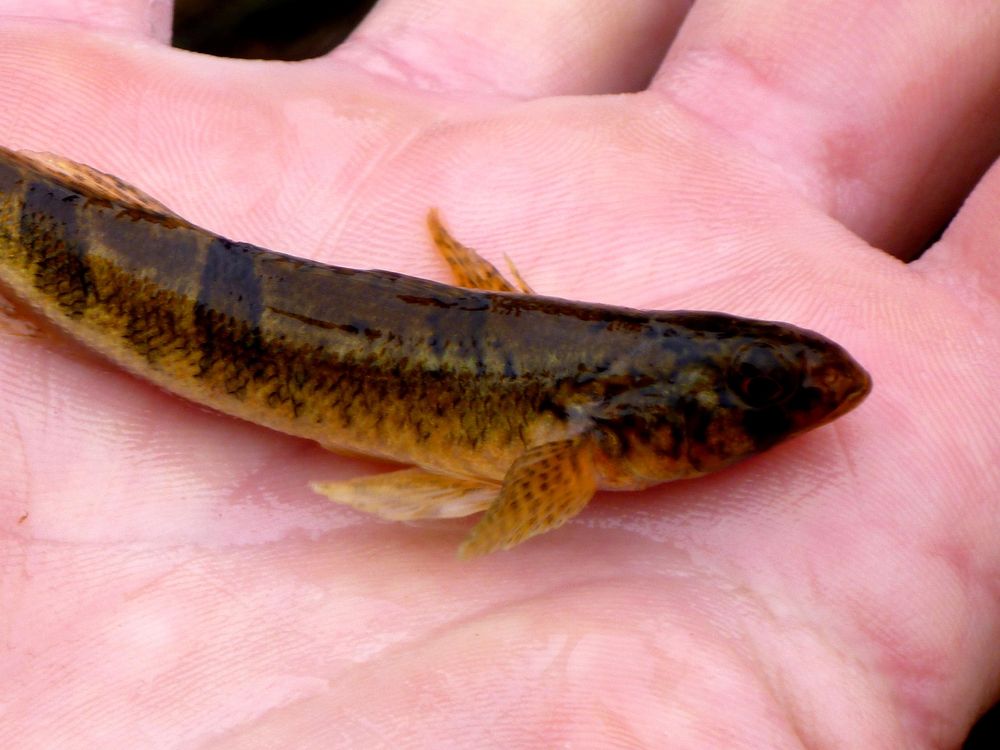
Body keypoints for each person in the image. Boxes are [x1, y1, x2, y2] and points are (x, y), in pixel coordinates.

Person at [1, 1, 997, 747]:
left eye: (759, 413)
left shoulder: (582, 416)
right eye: (756, 413)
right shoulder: (574, 438)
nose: (792, 417)